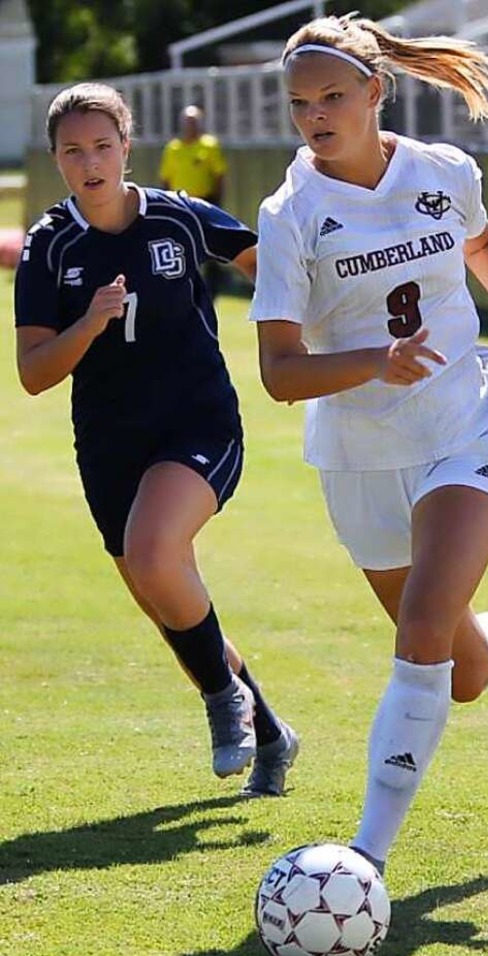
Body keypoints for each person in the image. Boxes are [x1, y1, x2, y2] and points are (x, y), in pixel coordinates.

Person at [249, 16, 488, 875]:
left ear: (378, 91)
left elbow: (481, 243)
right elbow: (277, 372)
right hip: (359, 455)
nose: (315, 115)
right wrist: (376, 358)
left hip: (464, 423)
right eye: (300, 103)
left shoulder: (444, 171)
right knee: (460, 669)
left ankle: (362, 862)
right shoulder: (290, 211)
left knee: (418, 630)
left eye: (333, 96)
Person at [14, 82, 298, 798]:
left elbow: (268, 268)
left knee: (153, 552)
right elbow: (33, 373)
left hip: (197, 421)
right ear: (55, 158)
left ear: (127, 146)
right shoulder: (50, 247)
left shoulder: (177, 218)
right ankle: (269, 731)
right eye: (73, 150)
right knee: (163, 592)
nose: (90, 161)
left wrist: (303, 334)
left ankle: (220, 705)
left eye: (102, 145)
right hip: (109, 443)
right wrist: (88, 323)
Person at [160, 105, 228, 300]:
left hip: (205, 203)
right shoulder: (173, 148)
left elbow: (219, 175)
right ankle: (182, 290)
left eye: (195, 122)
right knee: (181, 248)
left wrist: (216, 204)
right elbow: (165, 178)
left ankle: (211, 292)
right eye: (188, 122)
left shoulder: (209, 145)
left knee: (211, 251)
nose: (191, 126)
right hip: (179, 205)